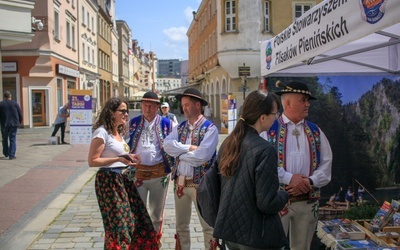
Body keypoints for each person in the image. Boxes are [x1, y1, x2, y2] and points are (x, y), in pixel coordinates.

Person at [213, 90, 289, 249]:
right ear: (262, 117)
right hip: (255, 236)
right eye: (275, 114)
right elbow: (267, 203)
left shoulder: (228, 142)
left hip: (230, 231)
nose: (276, 118)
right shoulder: (265, 150)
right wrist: (285, 195)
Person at [262, 81, 333, 250]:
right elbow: (264, 164)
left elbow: (327, 162)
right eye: (303, 100)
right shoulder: (269, 129)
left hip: (307, 203)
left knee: (302, 247)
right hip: (277, 203)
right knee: (273, 246)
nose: (307, 104)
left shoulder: (315, 131)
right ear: (288, 103)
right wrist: (289, 178)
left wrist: (309, 181)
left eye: (308, 100)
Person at [87, 97, 158, 249]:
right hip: (109, 182)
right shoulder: (102, 132)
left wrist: (129, 157)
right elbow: (93, 161)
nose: (126, 114)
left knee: (135, 221)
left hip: (123, 180)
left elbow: (118, 157)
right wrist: (118, 158)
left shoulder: (117, 132)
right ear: (111, 112)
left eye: (127, 111)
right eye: (123, 111)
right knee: (119, 225)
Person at [164, 88, 218, 250]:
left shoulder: (210, 129)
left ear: (197, 105)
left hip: (201, 185)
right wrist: (189, 147)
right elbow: (167, 146)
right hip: (180, 184)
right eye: (183, 105)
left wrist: (179, 153)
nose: (184, 108)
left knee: (208, 226)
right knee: (181, 226)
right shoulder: (179, 127)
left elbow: (201, 157)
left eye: (187, 105)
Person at [126, 92, 174, 246]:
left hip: (159, 175)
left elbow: (175, 146)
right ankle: (140, 242)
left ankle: (154, 242)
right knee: (137, 212)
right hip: (138, 175)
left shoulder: (167, 124)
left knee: (156, 214)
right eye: (145, 105)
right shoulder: (132, 123)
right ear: (141, 106)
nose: (148, 108)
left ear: (157, 107)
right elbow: (124, 144)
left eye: (152, 106)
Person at [0, 91, 23, 160]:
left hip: (4, 124)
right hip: (14, 124)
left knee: (4, 139)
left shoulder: (1, 104)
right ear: (10, 96)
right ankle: (11, 155)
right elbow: (20, 113)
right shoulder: (15, 103)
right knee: (12, 139)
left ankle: (6, 153)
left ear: (4, 97)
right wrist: (19, 122)